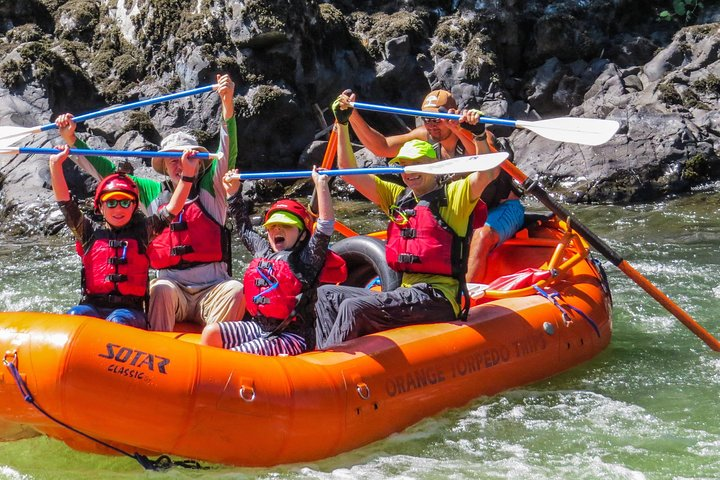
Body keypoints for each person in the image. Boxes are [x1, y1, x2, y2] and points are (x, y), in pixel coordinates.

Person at [54, 74, 244, 331]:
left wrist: (227, 104)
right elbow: (109, 174)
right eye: (172, 159)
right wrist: (72, 140)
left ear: (198, 161)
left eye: (184, 158)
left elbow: (226, 151)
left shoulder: (212, 186)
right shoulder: (151, 191)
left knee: (235, 290)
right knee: (162, 288)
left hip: (213, 286)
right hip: (171, 287)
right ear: (164, 165)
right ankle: (157, 361)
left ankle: (217, 355)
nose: (178, 164)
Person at [313, 101, 498, 349]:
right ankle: (321, 357)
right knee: (326, 295)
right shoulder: (397, 197)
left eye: (416, 164)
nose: (408, 171)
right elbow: (348, 172)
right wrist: (343, 124)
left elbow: (485, 173)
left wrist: (478, 135)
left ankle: (330, 366)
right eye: (403, 165)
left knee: (352, 306)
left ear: (435, 167)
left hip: (438, 298)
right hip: (407, 293)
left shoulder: (455, 195)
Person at [335, 89, 525, 283]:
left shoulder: (475, 134)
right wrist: (352, 115)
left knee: (481, 235)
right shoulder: (425, 139)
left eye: (437, 119)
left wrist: (462, 129)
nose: (432, 126)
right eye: (427, 119)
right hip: (458, 213)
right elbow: (381, 146)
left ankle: (468, 299)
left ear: (452, 112)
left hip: (500, 207)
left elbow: (485, 164)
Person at [49, 145, 200, 328]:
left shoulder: (144, 231)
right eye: (111, 202)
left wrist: (188, 175)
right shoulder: (87, 231)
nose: (118, 209)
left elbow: (173, 208)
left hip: (129, 312)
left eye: (125, 202)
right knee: (74, 316)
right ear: (100, 207)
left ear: (134, 206)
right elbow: (65, 204)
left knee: (117, 322)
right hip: (92, 306)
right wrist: (55, 165)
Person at [200, 167, 346, 355]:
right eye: (272, 227)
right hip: (259, 327)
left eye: (285, 226)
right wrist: (233, 192)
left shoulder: (307, 258)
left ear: (302, 234)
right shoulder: (263, 251)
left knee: (238, 355)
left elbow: (325, 227)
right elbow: (244, 230)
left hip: (294, 336)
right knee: (211, 332)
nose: (277, 230)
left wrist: (321, 185)